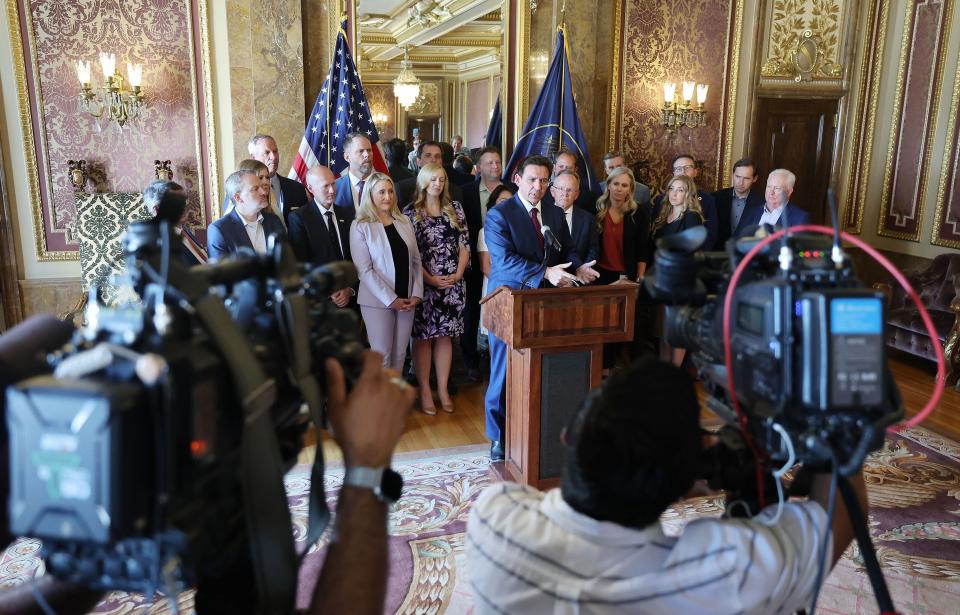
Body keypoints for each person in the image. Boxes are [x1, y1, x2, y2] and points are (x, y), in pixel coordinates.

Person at [466, 357, 866, 615]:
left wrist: (678, 472)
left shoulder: (493, 515)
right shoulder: (726, 577)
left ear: (567, 438)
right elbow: (841, 514)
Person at [483, 155, 599, 461]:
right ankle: (498, 438)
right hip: (508, 303)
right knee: (503, 373)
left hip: (545, 304)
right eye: (532, 180)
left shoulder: (552, 211)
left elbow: (567, 248)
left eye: (544, 181)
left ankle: (538, 431)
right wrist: (545, 273)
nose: (538, 187)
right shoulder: (500, 215)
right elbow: (505, 261)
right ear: (518, 180)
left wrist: (579, 269)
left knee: (542, 371)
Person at [402, 164, 469, 415]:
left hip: (453, 283)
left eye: (442, 179)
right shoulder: (411, 213)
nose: (438, 184)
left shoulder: (456, 209)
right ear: (423, 182)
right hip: (425, 285)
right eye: (433, 180)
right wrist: (428, 279)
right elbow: (410, 255)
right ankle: (426, 392)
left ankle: (442, 389)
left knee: (445, 337)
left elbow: (465, 244)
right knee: (423, 339)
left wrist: (459, 273)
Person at [350, 172, 423, 371]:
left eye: (390, 191)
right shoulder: (360, 225)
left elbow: (416, 261)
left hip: (407, 300)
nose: (388, 197)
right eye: (381, 192)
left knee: (400, 356)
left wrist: (416, 294)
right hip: (377, 302)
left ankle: (395, 402)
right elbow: (364, 271)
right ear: (370, 195)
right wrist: (391, 299)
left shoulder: (404, 221)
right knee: (383, 357)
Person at [649, 175, 705, 366]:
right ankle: (666, 372)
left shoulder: (691, 217)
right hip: (661, 280)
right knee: (663, 331)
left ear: (688, 193)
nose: (674, 193)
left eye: (680, 189)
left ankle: (675, 374)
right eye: (672, 188)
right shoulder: (663, 216)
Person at [460, 147, 505, 382]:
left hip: (501, 263)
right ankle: (471, 362)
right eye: (489, 163)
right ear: (479, 167)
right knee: (471, 313)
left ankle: (493, 358)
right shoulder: (466, 192)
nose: (495, 166)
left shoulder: (512, 191)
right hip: (473, 263)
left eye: (498, 162)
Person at [287, 165, 356, 308]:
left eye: (333, 184)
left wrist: (350, 289)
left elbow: (355, 257)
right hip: (320, 303)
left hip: (351, 300)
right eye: (325, 186)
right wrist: (326, 291)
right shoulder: (299, 218)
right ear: (310, 188)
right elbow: (301, 265)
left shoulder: (347, 214)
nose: (332, 190)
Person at [208, 170, 286, 260]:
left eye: (261, 187)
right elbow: (220, 272)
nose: (264, 192)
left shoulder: (274, 221)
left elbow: (285, 263)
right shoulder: (219, 229)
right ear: (238, 197)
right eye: (255, 189)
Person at [594, 167, 648, 284]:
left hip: (627, 276)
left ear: (630, 189)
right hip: (598, 274)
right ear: (608, 185)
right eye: (616, 184)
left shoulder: (638, 211)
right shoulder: (597, 209)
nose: (619, 189)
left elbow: (642, 249)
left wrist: (640, 278)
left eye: (624, 185)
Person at [652, 154, 719, 250]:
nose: (683, 172)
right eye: (678, 169)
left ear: (695, 172)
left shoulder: (708, 200)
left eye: (687, 168)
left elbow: (710, 235)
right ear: (674, 173)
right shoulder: (661, 200)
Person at [245, 134, 309, 224]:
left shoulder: (297, 188)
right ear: (253, 157)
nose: (274, 157)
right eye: (267, 153)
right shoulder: (243, 190)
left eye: (275, 151)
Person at [142, 179, 207, 265]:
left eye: (183, 201)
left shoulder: (184, 230)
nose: (184, 207)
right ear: (157, 209)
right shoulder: (159, 245)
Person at [735, 168, 810, 237]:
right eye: (769, 187)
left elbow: (797, 249)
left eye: (777, 188)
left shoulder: (800, 218)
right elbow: (735, 241)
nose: (771, 192)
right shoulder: (750, 212)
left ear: (789, 192)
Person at [551, 170, 598, 265]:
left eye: (569, 190)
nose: (565, 194)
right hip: (548, 276)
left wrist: (583, 269)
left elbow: (593, 250)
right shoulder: (539, 215)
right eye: (560, 188)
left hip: (578, 275)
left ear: (576, 195)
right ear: (552, 191)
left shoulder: (588, 219)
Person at [713, 157, 763, 246]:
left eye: (746, 178)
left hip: (746, 253)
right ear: (733, 175)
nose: (740, 182)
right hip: (717, 253)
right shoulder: (716, 197)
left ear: (754, 179)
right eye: (738, 177)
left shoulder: (761, 203)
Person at [396, 141, 445, 208]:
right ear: (418, 161)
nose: (433, 160)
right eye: (428, 155)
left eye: (437, 156)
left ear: (441, 162)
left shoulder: (454, 191)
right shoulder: (402, 189)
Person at [334, 132, 374, 214]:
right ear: (347, 157)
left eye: (369, 150)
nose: (367, 155)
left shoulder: (384, 185)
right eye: (361, 151)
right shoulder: (334, 188)